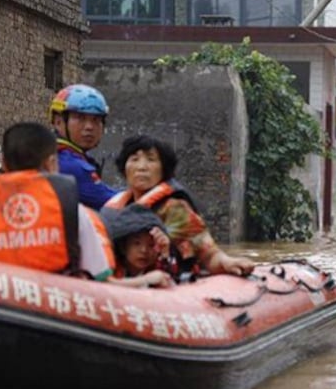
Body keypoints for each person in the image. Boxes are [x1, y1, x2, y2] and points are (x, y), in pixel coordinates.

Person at [0, 122, 115, 280]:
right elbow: (99, 276)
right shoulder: (73, 208)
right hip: (55, 300)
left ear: (4, 163)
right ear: (51, 163)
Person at [102, 135, 255, 277]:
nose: (142, 167)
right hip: (125, 284)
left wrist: (227, 262)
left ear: (164, 169)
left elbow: (208, 254)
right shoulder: (117, 208)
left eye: (151, 160)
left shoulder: (174, 209)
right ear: (124, 168)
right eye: (134, 159)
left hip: (170, 282)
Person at [49, 84, 117, 209]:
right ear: (59, 122)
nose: (89, 127)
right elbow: (114, 203)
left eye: (96, 120)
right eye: (80, 118)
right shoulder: (68, 164)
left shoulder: (48, 151)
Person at [103, 204, 176, 288]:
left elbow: (170, 282)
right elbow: (104, 285)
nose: (144, 250)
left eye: (151, 245)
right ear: (123, 246)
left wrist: (165, 252)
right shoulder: (110, 266)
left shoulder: (157, 268)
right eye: (136, 243)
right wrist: (145, 280)